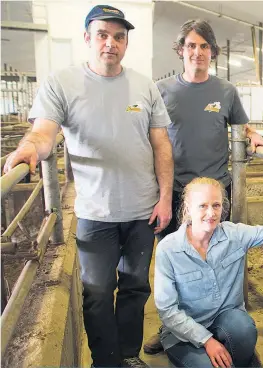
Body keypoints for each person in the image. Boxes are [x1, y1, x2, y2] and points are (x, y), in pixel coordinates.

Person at [2, 5, 173, 368]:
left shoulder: (144, 85)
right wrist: (28, 149)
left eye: (119, 36)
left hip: (143, 211)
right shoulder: (62, 83)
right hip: (96, 213)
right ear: (87, 38)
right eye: (102, 34)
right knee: (96, 293)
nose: (110, 42)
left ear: (126, 43)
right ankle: (105, 361)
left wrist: (165, 199)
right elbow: (44, 131)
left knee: (135, 287)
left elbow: (161, 145)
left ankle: (129, 354)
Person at [143, 18, 263, 355]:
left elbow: (241, 125)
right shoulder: (161, 90)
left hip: (215, 193)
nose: (197, 52)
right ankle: (171, 328)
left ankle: (221, 323)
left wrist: (253, 134)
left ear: (211, 52)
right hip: (174, 191)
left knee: (218, 258)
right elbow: (146, 130)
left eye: (204, 46)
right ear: (180, 50)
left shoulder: (225, 91)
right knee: (175, 262)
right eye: (191, 45)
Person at [153, 177, 263, 368]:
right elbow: (167, 310)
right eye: (203, 206)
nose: (211, 213)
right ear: (188, 207)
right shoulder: (169, 249)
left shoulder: (234, 235)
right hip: (183, 332)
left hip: (225, 320)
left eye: (216, 205)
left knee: (243, 330)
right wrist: (207, 341)